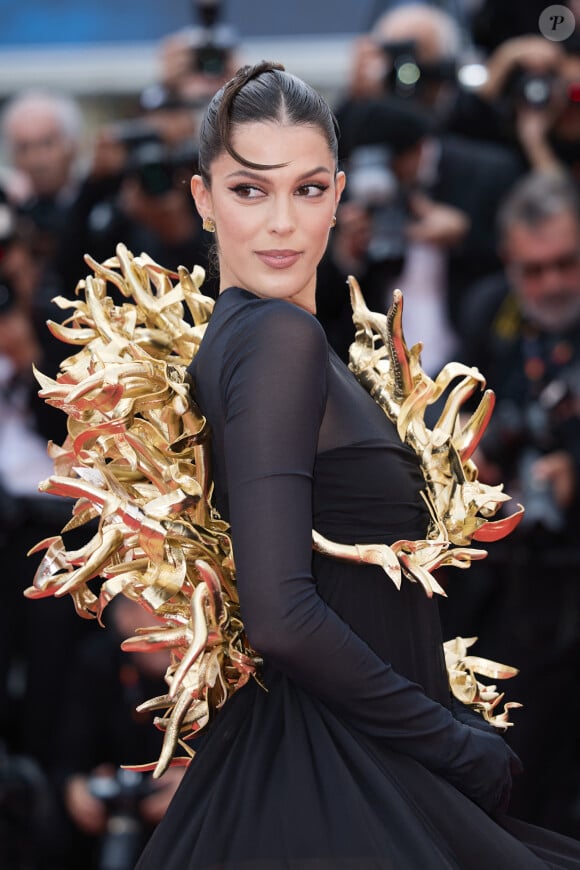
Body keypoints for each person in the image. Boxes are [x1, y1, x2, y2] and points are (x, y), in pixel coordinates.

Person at [130, 62, 580, 868]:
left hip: (343, 762)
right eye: (248, 190)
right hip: (339, 776)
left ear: (338, 195)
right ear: (202, 199)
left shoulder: (261, 340)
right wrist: (448, 738)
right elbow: (279, 614)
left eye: (306, 190)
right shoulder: (275, 340)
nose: (281, 224)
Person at [441, 170, 580, 835]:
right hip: (518, 584)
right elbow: (455, 416)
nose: (550, 283)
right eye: (534, 269)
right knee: (521, 779)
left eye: (565, 264)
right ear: (507, 262)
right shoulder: (488, 309)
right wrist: (473, 455)